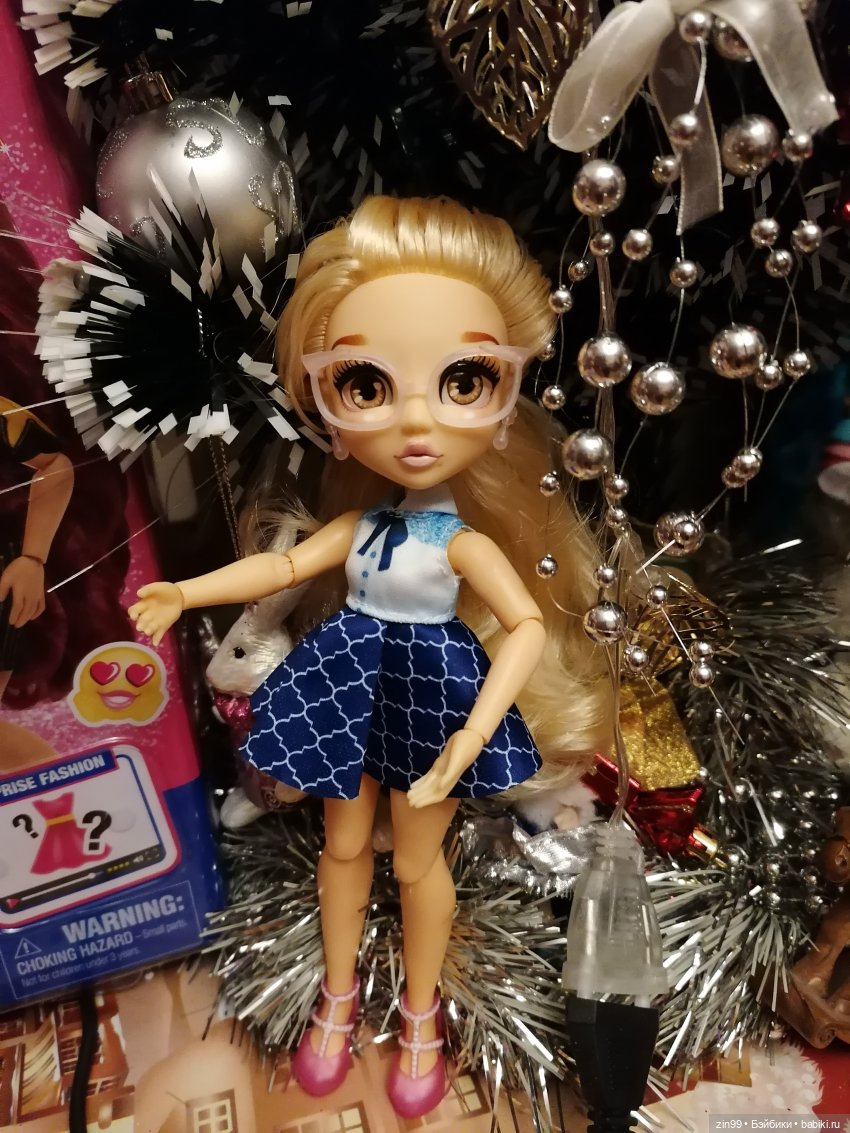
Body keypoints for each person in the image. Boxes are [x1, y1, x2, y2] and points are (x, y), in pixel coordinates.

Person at [129, 195, 611, 1117]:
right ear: (328, 403)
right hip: (347, 679)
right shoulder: (358, 524)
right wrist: (185, 592)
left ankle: (422, 1015)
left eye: (465, 379)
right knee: (343, 845)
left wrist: (475, 731)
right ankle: (337, 996)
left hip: (432, 692)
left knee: (419, 864)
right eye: (364, 384)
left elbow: (525, 627)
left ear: (504, 398)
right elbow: (284, 565)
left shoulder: (463, 541)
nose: (417, 421)